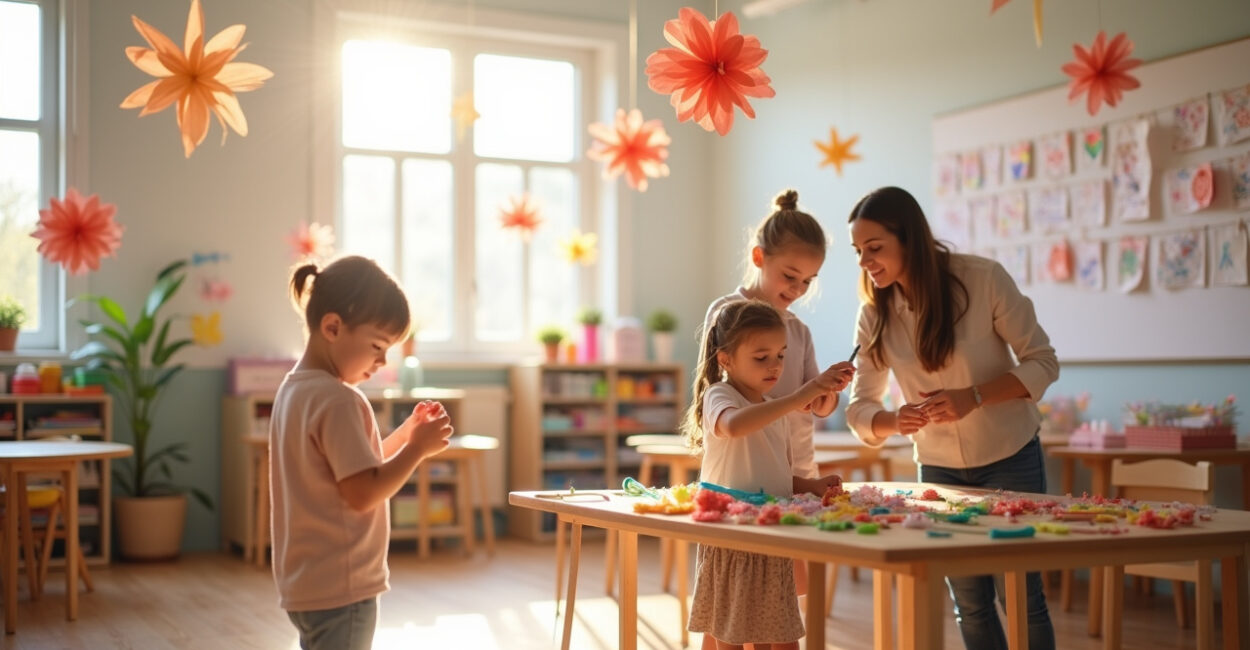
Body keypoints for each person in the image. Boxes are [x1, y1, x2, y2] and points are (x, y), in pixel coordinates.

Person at [845, 186, 1059, 650]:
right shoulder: (874, 315)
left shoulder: (983, 279)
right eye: (859, 251)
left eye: (875, 248)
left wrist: (976, 396)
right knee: (970, 602)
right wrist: (892, 420)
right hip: (938, 466)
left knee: (1021, 595)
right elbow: (860, 409)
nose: (865, 261)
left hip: (1010, 455)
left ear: (910, 240)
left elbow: (1043, 362)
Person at [270, 255, 454, 650]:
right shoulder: (338, 399)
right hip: (343, 585)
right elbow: (363, 492)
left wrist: (405, 436)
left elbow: (350, 468)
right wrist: (417, 451)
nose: (382, 362)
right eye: (377, 346)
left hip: (306, 580)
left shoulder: (294, 390)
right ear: (333, 327)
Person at [684, 299, 853, 650]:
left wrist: (809, 485)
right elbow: (733, 426)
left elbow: (772, 473)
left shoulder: (769, 407)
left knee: (779, 634)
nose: (774, 366)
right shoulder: (720, 395)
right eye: (762, 357)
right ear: (725, 360)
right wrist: (800, 395)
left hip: (770, 536)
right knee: (726, 635)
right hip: (734, 540)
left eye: (781, 355)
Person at [704, 188, 837, 481]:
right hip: (748, 474)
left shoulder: (798, 330)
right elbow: (716, 394)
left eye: (808, 281)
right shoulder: (726, 312)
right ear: (758, 256)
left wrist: (824, 396)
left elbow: (816, 400)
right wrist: (799, 397)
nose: (798, 289)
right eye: (790, 276)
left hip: (799, 470)